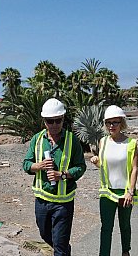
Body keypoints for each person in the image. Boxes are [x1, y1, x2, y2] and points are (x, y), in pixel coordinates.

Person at [23, 98, 86, 255]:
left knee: (59, 243)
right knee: (45, 235)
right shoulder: (37, 140)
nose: (55, 125)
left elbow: (81, 167)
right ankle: (64, 249)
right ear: (44, 121)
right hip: (42, 201)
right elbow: (26, 164)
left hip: (63, 203)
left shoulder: (72, 140)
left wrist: (62, 175)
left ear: (63, 119)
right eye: (50, 121)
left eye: (58, 120)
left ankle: (62, 249)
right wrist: (38, 166)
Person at [90, 105, 138, 256]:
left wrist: (130, 192)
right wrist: (96, 161)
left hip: (125, 192)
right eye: (108, 123)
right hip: (107, 192)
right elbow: (104, 165)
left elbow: (135, 169)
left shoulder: (131, 143)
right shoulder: (103, 142)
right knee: (106, 227)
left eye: (115, 122)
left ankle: (126, 252)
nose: (111, 126)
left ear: (122, 123)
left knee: (124, 225)